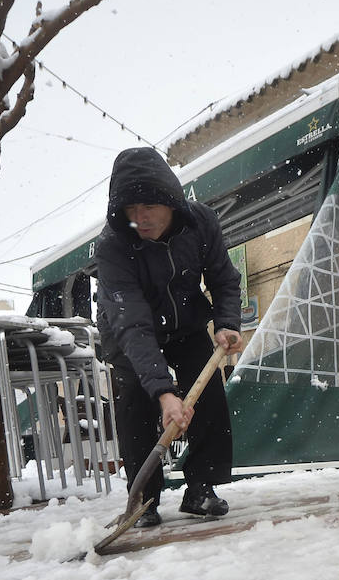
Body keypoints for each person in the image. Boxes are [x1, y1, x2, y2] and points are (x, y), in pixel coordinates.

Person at [95, 147, 242, 527]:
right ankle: (144, 499)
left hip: (186, 322)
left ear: (169, 200)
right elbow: (133, 324)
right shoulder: (113, 245)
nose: (140, 219)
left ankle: (201, 488)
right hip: (129, 332)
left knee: (207, 390)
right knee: (136, 402)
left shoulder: (200, 223)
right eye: (130, 210)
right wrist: (163, 393)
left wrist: (227, 322)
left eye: (148, 206)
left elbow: (224, 278)